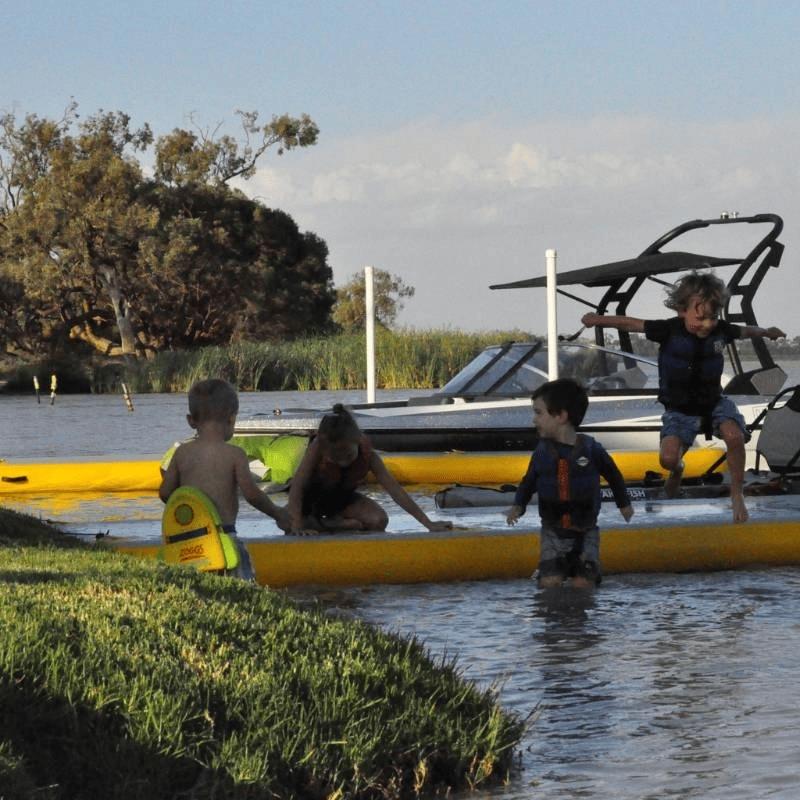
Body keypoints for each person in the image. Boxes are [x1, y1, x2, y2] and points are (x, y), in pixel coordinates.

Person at [581, 270, 785, 524]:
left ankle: (737, 493)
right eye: (700, 318)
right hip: (679, 409)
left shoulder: (722, 330)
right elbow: (630, 323)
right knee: (668, 460)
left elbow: (747, 331)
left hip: (714, 403)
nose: (707, 325)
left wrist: (767, 332)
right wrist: (596, 319)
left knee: (733, 436)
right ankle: (678, 470)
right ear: (681, 310)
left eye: (712, 318)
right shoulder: (668, 330)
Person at [506, 378, 633, 589]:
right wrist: (518, 506)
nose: (533, 420)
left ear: (561, 416)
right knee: (550, 583)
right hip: (553, 531)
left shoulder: (591, 449)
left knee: (582, 585)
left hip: (586, 530)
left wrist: (624, 504)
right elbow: (528, 482)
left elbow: (614, 476)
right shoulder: (542, 453)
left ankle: (588, 574)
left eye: (539, 413)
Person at [159, 378, 289, 580]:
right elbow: (252, 495)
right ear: (231, 419)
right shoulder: (235, 454)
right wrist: (278, 514)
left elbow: (166, 494)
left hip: (188, 541)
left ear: (191, 420)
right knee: (241, 588)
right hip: (223, 538)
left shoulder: (181, 453)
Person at [287, 404, 453, 535]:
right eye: (335, 457)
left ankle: (333, 523)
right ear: (324, 449)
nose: (343, 461)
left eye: (347, 454)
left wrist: (428, 523)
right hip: (310, 502)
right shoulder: (317, 447)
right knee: (285, 522)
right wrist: (296, 524)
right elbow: (297, 488)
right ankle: (328, 523)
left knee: (378, 520)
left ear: (358, 440)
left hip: (340, 501)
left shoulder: (369, 455)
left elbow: (395, 490)